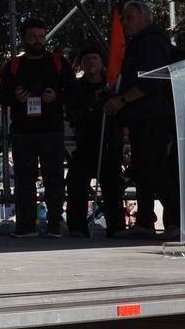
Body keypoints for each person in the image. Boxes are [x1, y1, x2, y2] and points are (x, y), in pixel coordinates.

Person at [103, 0, 180, 238]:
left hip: (153, 116)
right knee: (142, 170)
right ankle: (145, 221)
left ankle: (177, 222)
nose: (125, 23)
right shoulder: (138, 43)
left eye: (129, 18)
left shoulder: (151, 42)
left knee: (156, 168)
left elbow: (151, 81)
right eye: (123, 19)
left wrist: (122, 99)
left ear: (144, 18)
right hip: (140, 117)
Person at [0, 17, 72, 238]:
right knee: (24, 180)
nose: (38, 41)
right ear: (24, 39)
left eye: (41, 36)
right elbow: (3, 96)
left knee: (54, 179)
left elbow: (73, 93)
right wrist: (16, 97)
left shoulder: (59, 62)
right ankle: (26, 224)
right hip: (23, 132)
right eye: (33, 37)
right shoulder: (14, 65)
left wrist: (56, 96)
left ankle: (54, 224)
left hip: (51, 130)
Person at [65, 44, 124, 237]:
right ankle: (77, 227)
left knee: (112, 187)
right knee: (76, 184)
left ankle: (116, 227)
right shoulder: (76, 87)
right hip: (85, 143)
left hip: (109, 143)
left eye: (95, 58)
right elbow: (73, 115)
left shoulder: (112, 86)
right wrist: (93, 106)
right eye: (87, 58)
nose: (91, 62)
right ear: (81, 63)